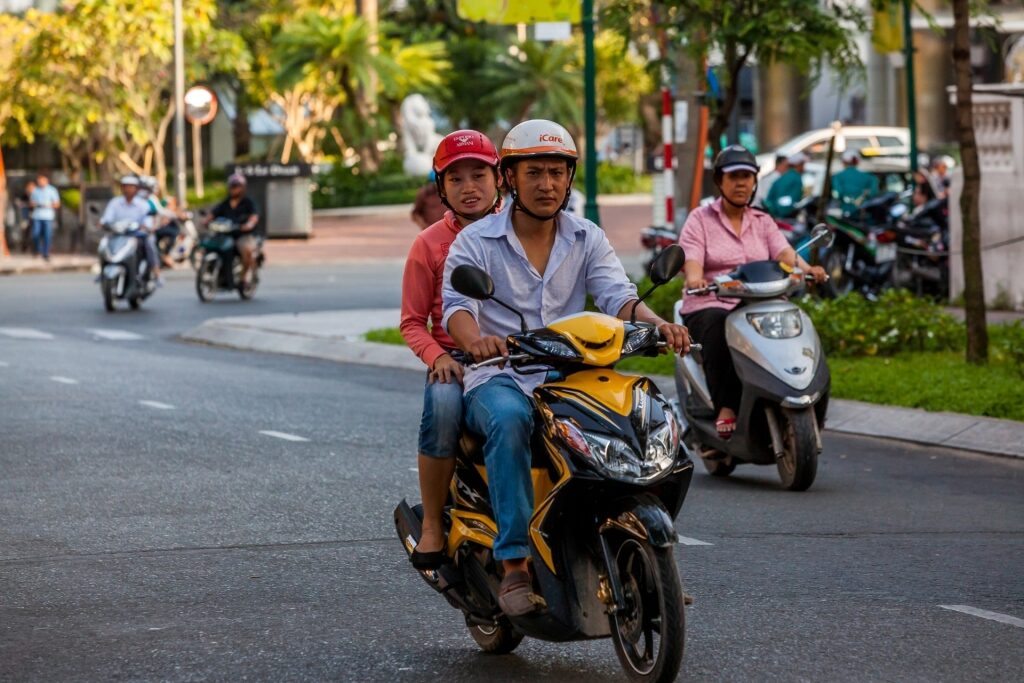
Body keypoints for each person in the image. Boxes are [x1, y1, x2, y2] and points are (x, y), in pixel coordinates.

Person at [441, 119, 691, 616]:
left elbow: (619, 297)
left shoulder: (585, 236)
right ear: (509, 177)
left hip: (573, 375)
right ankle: (514, 564)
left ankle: (645, 554)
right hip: (502, 376)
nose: (547, 184)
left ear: (569, 176)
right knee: (512, 421)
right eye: (534, 173)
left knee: (647, 414)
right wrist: (479, 341)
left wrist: (659, 324)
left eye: (557, 172)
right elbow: (457, 311)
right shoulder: (476, 242)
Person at [400, 130, 503, 570]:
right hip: (454, 363)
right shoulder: (427, 245)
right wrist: (438, 357)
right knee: (442, 410)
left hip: (520, 356)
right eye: (456, 179)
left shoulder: (522, 231)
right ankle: (432, 525)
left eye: (479, 174)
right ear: (441, 189)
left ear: (499, 178)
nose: (469, 187)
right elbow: (411, 322)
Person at [679, 145, 826, 440]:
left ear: (755, 182)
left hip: (761, 302)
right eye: (734, 177)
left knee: (798, 324)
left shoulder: (762, 220)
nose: (741, 183)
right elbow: (691, 257)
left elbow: (785, 253)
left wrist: (809, 269)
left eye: (747, 176)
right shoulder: (700, 219)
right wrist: (695, 278)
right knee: (718, 325)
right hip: (712, 301)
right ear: (720, 181)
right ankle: (725, 407)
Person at [100, 175, 162, 283]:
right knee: (103, 244)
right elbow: (107, 218)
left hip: (137, 235)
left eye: (131, 187)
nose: (128, 189)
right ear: (122, 188)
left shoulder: (142, 204)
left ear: (136, 189)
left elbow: (147, 220)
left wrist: (146, 226)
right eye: (126, 186)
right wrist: (103, 223)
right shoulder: (115, 202)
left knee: (149, 243)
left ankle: (155, 271)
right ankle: (102, 272)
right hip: (119, 234)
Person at [204, 173, 259, 285]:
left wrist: (249, 224)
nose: (233, 189)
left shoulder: (247, 202)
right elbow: (213, 213)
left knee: (247, 251)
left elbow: (254, 215)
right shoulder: (226, 202)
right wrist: (206, 221)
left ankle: (244, 277)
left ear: (242, 187)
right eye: (232, 186)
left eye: (236, 186)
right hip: (225, 234)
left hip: (241, 234)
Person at [831, 150, 879, 215]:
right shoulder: (870, 177)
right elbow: (874, 193)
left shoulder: (837, 177)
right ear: (857, 161)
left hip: (846, 211)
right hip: (865, 213)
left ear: (843, 162)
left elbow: (838, 193)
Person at [764, 152, 806, 219]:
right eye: (803, 164)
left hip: (773, 214)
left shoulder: (783, 176)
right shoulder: (796, 178)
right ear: (799, 165)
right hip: (785, 216)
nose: (804, 168)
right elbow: (794, 199)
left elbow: (770, 198)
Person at [29, 172, 61, 261]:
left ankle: (46, 253)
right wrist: (36, 204)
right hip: (37, 216)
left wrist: (48, 205)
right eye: (39, 181)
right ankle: (37, 251)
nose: (40, 182)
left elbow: (57, 204)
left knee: (47, 235)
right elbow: (31, 203)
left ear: (46, 181)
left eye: (42, 180)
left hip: (48, 216)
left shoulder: (52, 190)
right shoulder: (35, 190)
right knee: (35, 233)